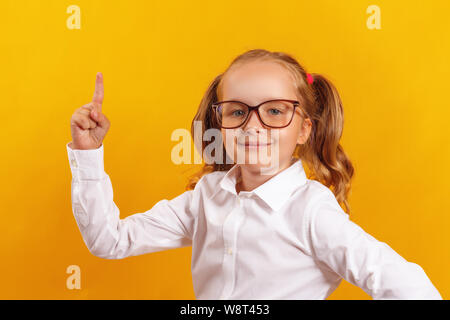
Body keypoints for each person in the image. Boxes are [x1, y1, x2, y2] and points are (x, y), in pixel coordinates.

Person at [66, 49, 442, 299]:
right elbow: (109, 240)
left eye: (275, 111)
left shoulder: (311, 210)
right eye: (237, 111)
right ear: (220, 123)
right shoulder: (207, 197)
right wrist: (88, 153)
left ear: (304, 129)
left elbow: (403, 283)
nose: (253, 126)